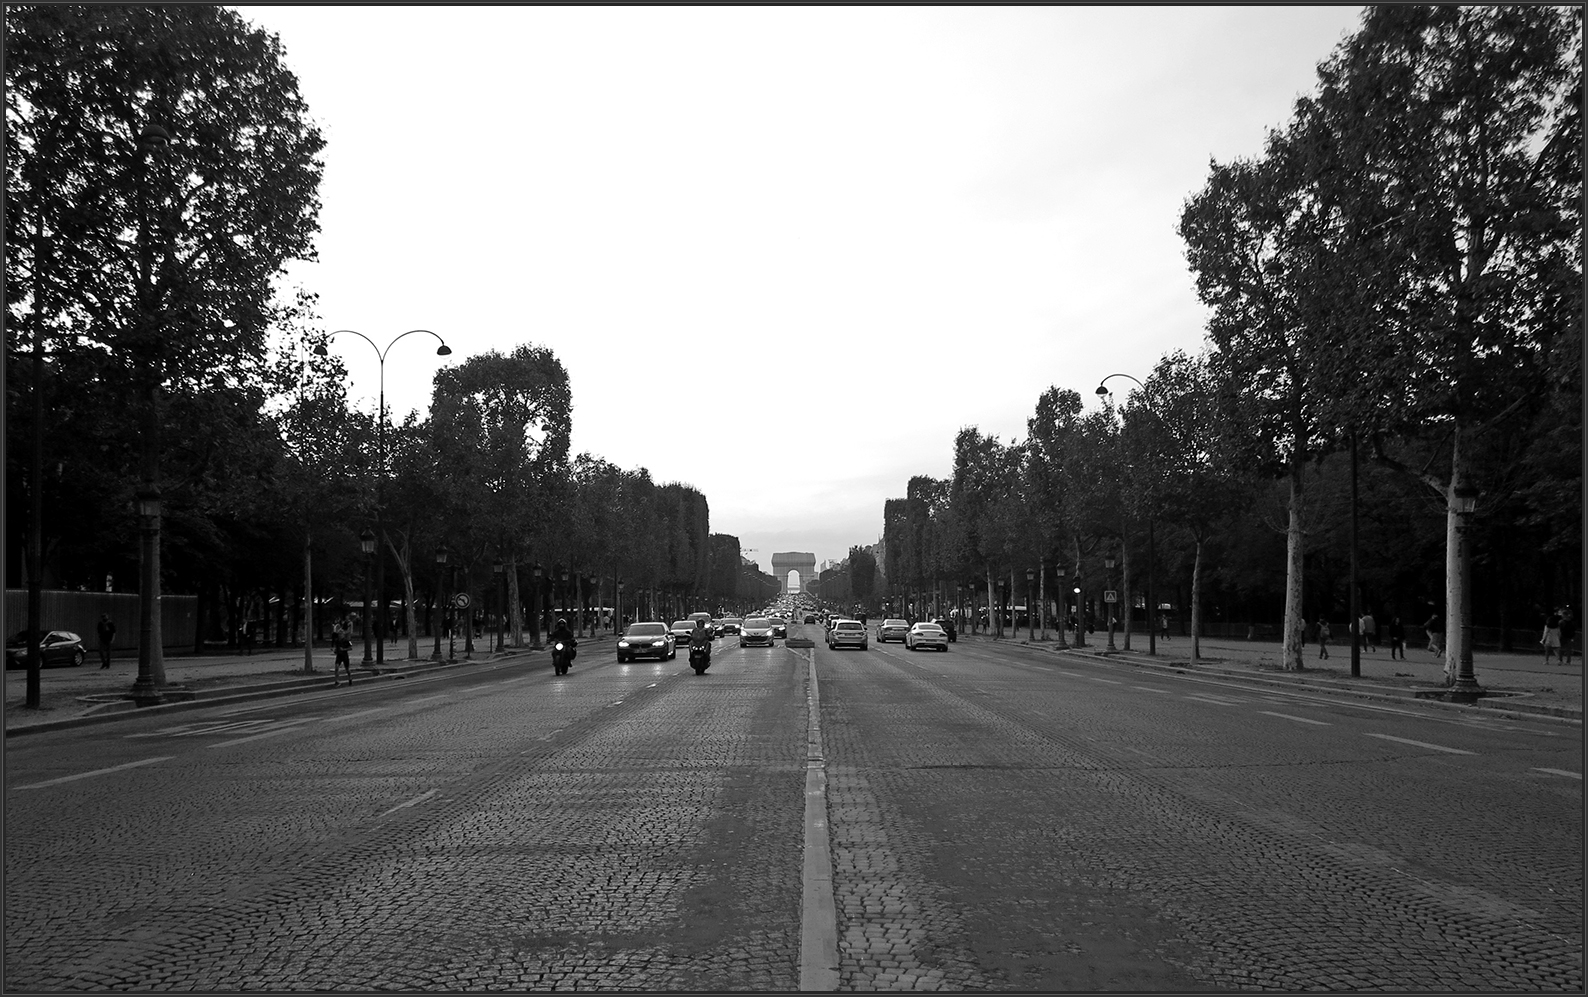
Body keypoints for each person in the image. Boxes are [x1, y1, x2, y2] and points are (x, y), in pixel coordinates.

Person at [332, 617, 354, 685]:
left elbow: (351, 647)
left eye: (341, 634)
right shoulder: (337, 641)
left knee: (347, 669)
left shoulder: (347, 641)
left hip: (344, 656)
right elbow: (336, 647)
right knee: (336, 667)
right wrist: (335, 650)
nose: (340, 636)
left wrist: (344, 649)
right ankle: (337, 680)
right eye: (339, 634)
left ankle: (350, 678)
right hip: (339, 655)